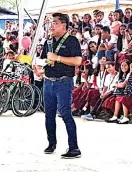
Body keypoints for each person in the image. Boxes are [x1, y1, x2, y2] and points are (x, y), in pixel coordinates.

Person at [40, 12, 82, 159]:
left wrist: (58, 58)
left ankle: (74, 147)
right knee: (48, 115)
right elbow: (45, 60)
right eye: (51, 23)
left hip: (64, 81)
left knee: (65, 113)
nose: (51, 26)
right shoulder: (48, 42)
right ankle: (51, 143)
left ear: (63, 25)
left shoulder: (72, 41)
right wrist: (39, 68)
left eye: (55, 23)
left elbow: (77, 61)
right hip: (48, 81)